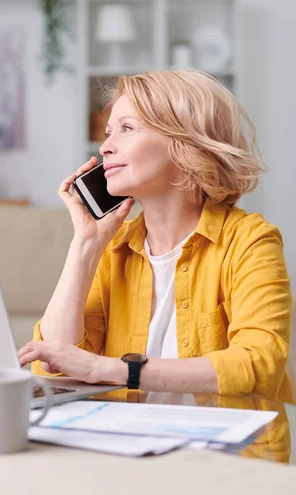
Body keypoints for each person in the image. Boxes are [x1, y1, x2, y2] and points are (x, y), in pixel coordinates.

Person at [18, 70, 294, 404]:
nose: (105, 147)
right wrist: (86, 244)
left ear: (184, 142)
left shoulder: (250, 242)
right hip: (133, 446)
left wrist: (114, 369)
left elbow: (259, 364)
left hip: (226, 451)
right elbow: (53, 371)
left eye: (126, 129)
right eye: (108, 133)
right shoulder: (112, 250)